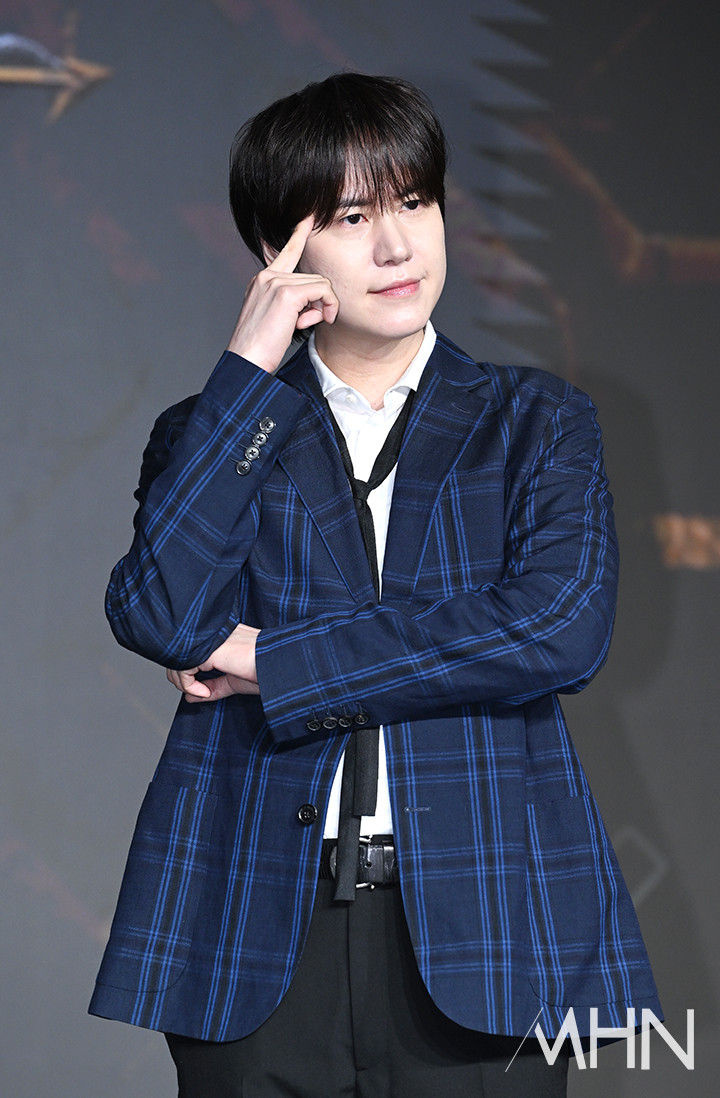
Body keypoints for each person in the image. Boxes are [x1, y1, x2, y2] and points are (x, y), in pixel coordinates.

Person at [89, 73, 660, 1097]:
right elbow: (163, 614)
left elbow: (557, 628)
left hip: (485, 917)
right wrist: (248, 368)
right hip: (254, 921)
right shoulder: (211, 431)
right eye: (353, 217)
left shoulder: (536, 420)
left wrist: (276, 660)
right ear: (281, 250)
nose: (398, 245)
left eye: (416, 202)